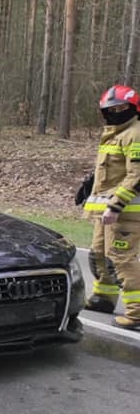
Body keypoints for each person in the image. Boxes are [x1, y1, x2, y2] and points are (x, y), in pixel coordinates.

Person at [82, 83, 140, 328]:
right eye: (111, 108)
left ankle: (136, 313)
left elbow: (136, 174)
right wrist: (89, 186)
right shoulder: (115, 133)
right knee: (99, 254)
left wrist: (115, 207)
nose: (115, 112)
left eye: (121, 108)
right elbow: (110, 173)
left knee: (122, 259)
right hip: (105, 213)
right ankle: (104, 297)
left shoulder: (135, 133)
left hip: (126, 213)